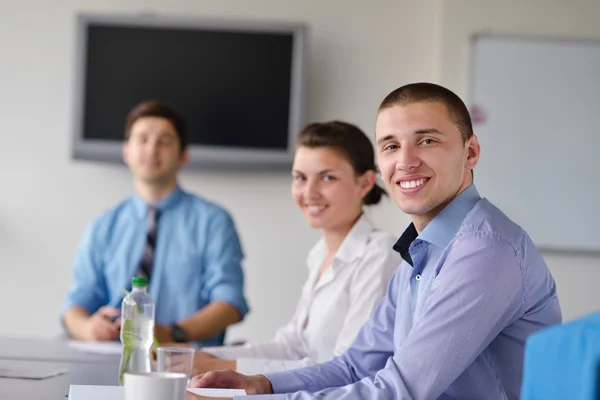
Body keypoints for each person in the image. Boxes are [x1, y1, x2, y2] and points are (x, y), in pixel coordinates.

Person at [189, 82, 562, 399]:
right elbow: (356, 364)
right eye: (390, 146)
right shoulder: (421, 252)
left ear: (471, 152)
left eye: (427, 140)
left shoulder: (485, 249)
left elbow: (401, 390)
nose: (406, 161)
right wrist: (262, 385)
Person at [189, 121, 401, 376]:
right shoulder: (321, 253)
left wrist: (224, 366)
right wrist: (201, 356)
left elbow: (349, 368)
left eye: (327, 178)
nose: (309, 193)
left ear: (365, 183)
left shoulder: (379, 255)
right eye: (300, 178)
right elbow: (292, 345)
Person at [61, 100, 249, 347]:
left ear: (184, 156)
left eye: (164, 141)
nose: (152, 149)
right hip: (110, 358)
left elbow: (230, 303)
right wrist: (89, 328)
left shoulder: (213, 221)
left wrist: (172, 334)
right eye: (142, 139)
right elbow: (74, 305)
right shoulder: (103, 225)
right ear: (126, 151)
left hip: (184, 361)